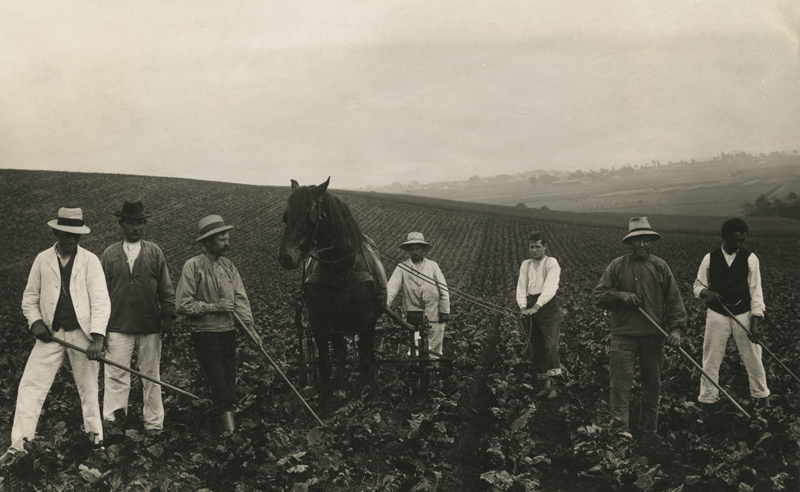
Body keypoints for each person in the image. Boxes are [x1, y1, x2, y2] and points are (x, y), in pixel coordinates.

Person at [1, 208, 110, 465]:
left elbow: (101, 301)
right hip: (50, 336)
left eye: (77, 235)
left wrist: (97, 338)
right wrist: (36, 322)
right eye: (67, 234)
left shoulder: (90, 261)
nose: (72, 240)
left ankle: (96, 444)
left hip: (81, 335)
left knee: (89, 389)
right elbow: (29, 298)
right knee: (30, 386)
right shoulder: (42, 260)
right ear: (56, 233)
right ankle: (18, 448)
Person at [592, 217, 686, 442]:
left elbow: (674, 301)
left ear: (651, 242)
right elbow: (597, 296)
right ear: (629, 243)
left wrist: (676, 330)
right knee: (620, 386)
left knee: (652, 385)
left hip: (654, 336)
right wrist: (619, 295)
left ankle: (649, 432)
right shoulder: (617, 266)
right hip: (623, 336)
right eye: (637, 240)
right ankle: (620, 432)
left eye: (646, 240)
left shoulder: (660, 266)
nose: (642, 244)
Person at [100, 201, 176, 437]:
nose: (136, 227)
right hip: (117, 325)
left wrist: (168, 318)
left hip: (149, 326)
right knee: (116, 375)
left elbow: (165, 288)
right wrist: (99, 328)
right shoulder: (109, 254)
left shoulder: (154, 252)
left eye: (140, 223)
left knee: (151, 376)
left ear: (144, 225)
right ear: (122, 224)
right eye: (131, 222)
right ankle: (113, 424)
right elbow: (100, 294)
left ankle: (154, 425)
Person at [175, 214, 255, 433]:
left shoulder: (229, 266)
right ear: (208, 242)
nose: (227, 242)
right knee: (217, 381)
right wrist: (213, 307)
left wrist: (250, 329)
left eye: (227, 238)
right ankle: (229, 432)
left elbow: (240, 299)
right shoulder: (193, 266)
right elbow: (182, 304)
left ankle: (223, 424)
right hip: (205, 334)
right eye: (222, 239)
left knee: (229, 379)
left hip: (228, 332)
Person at [694, 218, 769, 410]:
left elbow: (756, 292)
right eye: (736, 240)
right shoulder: (710, 258)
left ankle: (762, 398)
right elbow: (698, 285)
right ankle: (707, 401)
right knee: (711, 358)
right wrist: (706, 292)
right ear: (724, 237)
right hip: (717, 314)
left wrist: (754, 323)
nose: (739, 244)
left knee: (753, 357)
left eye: (742, 240)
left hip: (743, 313)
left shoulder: (751, 258)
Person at [386, 232, 450, 360]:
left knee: (436, 338)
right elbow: (391, 288)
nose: (415, 252)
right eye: (412, 249)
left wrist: (444, 310)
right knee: (414, 339)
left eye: (418, 248)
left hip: (433, 309)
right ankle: (414, 364)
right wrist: (385, 305)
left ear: (423, 249)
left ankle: (434, 362)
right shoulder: (402, 267)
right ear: (408, 251)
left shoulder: (432, 266)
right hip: (412, 310)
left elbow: (443, 288)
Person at [516, 231, 562, 399]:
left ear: (545, 247)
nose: (534, 250)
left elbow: (550, 287)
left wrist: (537, 306)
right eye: (531, 247)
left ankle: (556, 387)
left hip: (547, 307)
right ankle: (546, 385)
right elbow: (521, 287)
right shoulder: (526, 264)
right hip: (530, 306)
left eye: (537, 247)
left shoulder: (551, 263)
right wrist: (523, 307)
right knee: (536, 347)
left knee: (551, 346)